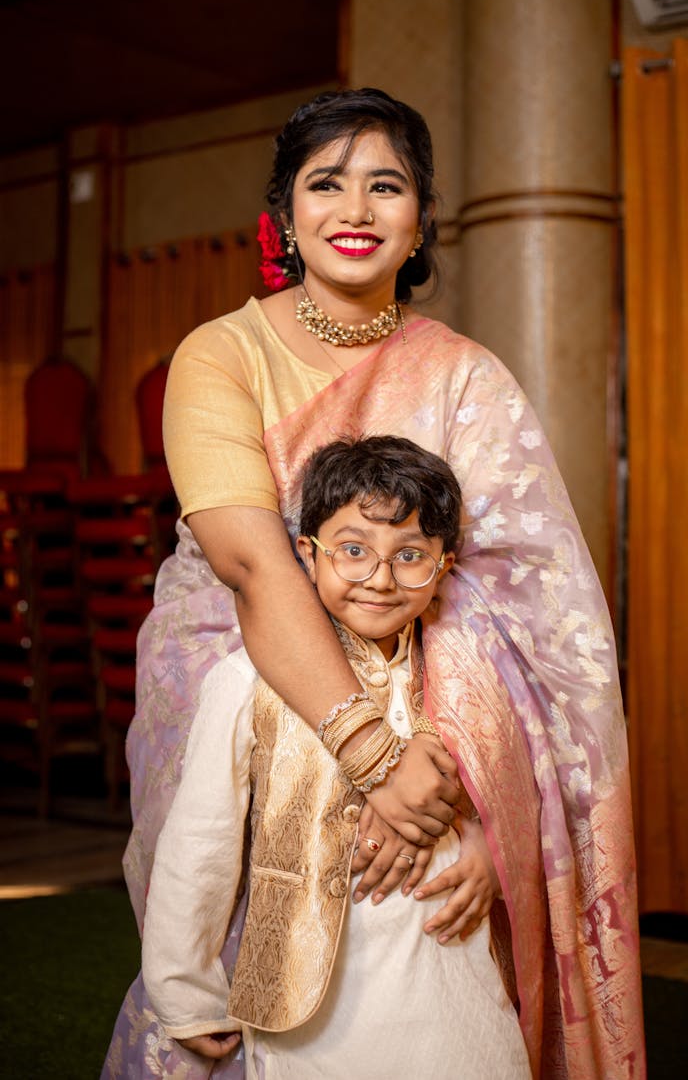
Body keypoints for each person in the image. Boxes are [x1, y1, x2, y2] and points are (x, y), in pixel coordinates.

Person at [103, 87, 645, 1079]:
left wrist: (469, 811)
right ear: (284, 214)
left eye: (385, 185)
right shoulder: (221, 354)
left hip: (433, 717)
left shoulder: (465, 375)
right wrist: (370, 756)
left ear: (422, 219)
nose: (355, 210)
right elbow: (251, 561)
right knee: (248, 934)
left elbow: (519, 614)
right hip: (248, 679)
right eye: (327, 184)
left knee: (428, 982)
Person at [140, 435, 532, 1078]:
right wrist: (185, 992)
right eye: (353, 551)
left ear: (444, 565)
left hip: (455, 975)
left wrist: (495, 852)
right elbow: (199, 842)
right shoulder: (248, 682)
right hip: (317, 1002)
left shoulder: (465, 676)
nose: (379, 578)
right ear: (306, 553)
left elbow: (521, 788)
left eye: (410, 556)